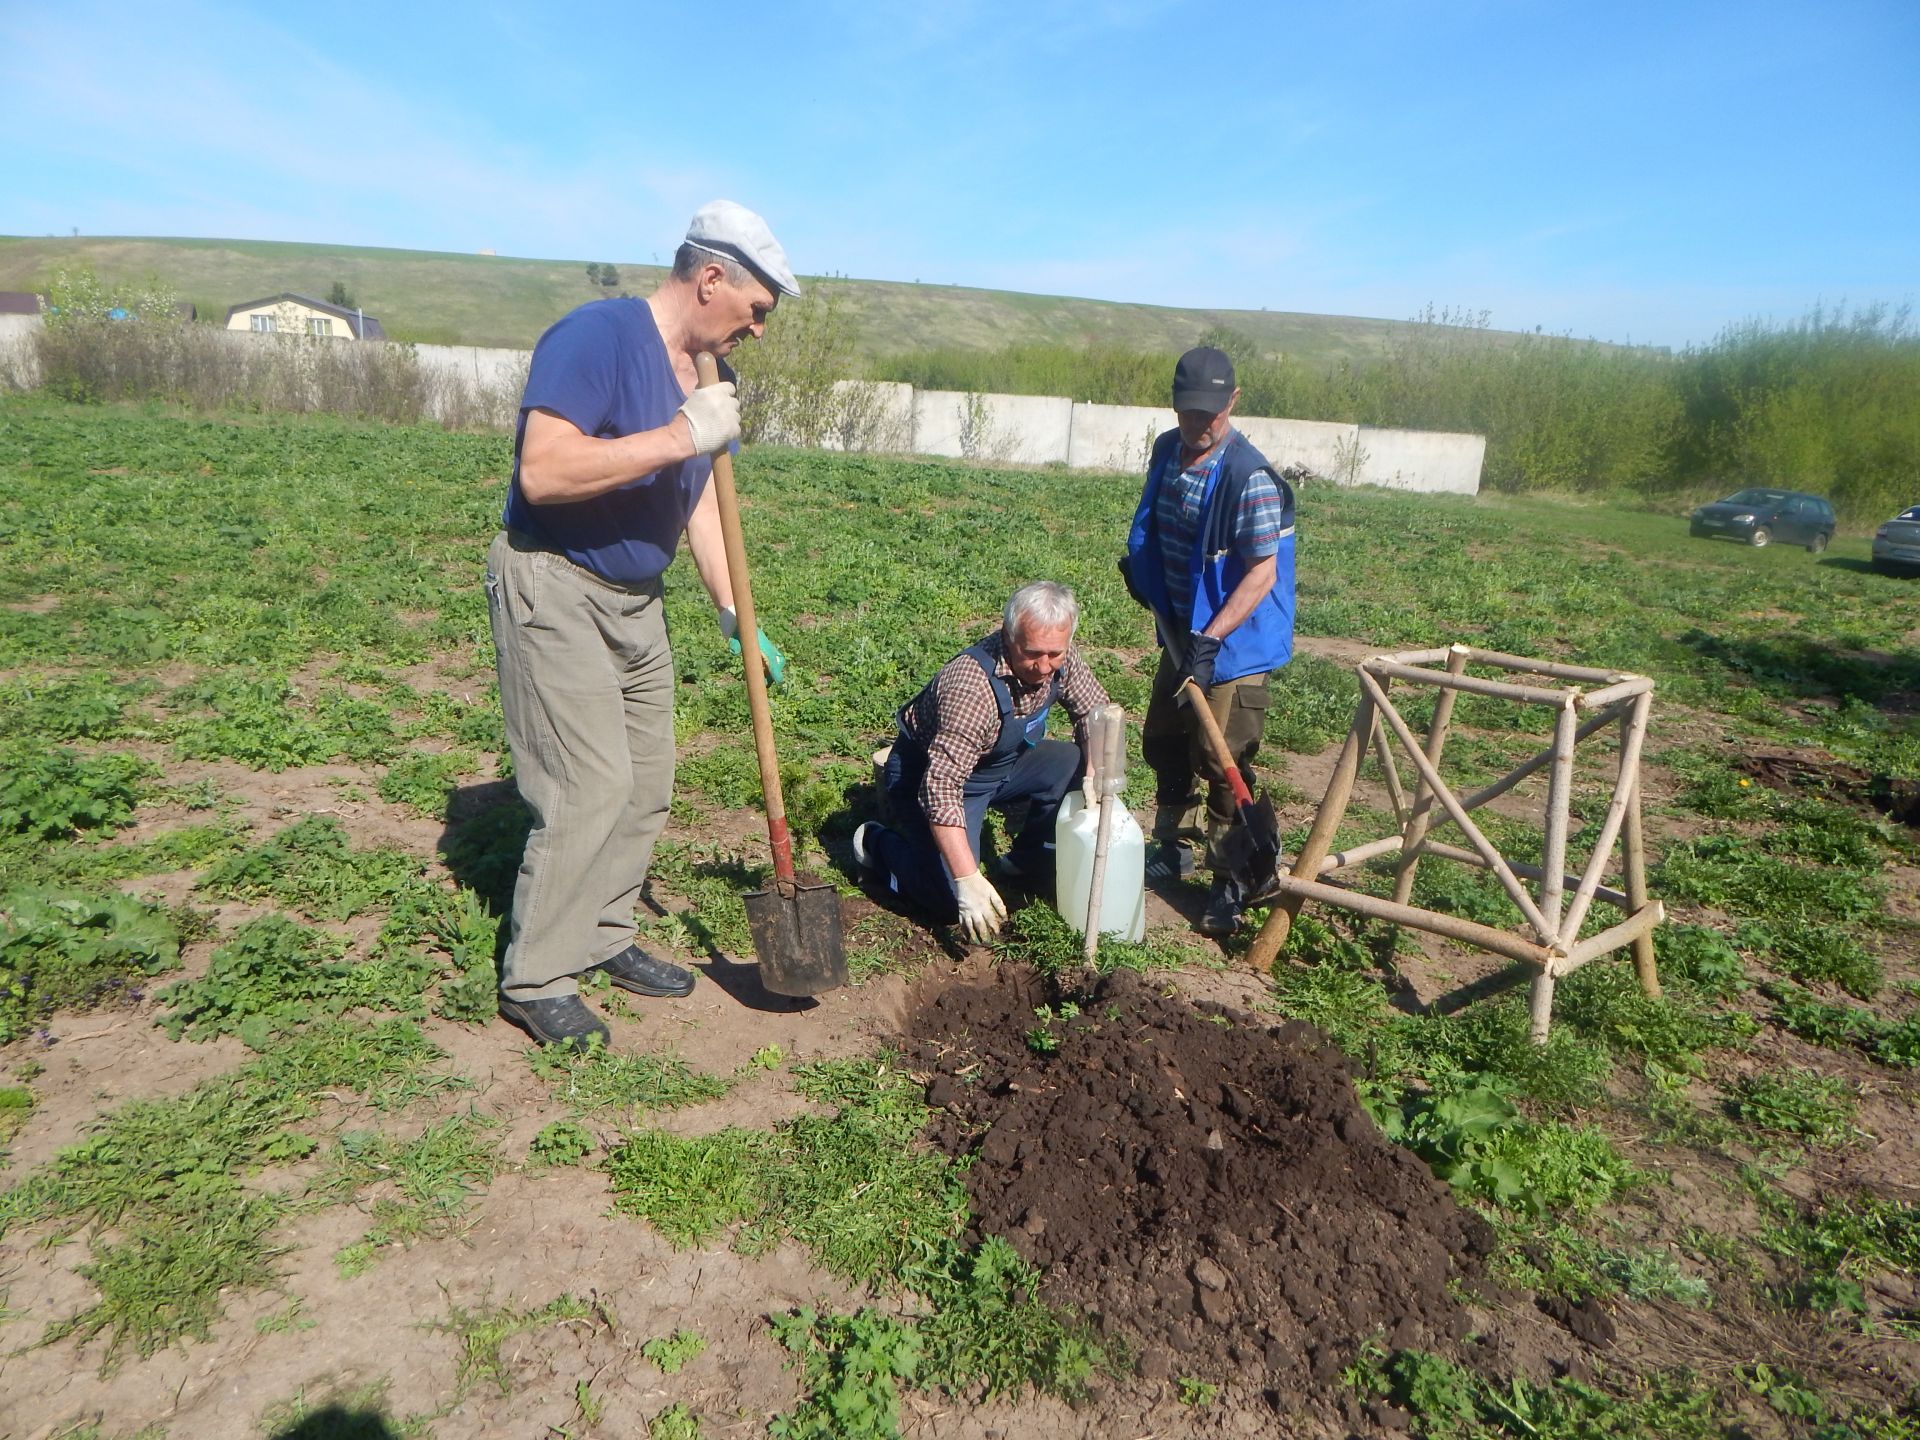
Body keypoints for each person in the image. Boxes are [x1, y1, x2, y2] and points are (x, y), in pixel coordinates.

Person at [486, 200, 800, 1051]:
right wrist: (674, 435)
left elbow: (697, 493)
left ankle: (603, 934)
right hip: (555, 584)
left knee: (648, 780)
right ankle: (538, 976)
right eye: (758, 310)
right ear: (711, 278)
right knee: (585, 786)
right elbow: (544, 473)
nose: (760, 330)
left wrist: (732, 607)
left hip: (637, 600)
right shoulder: (595, 337)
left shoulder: (703, 372)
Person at [1121, 345, 1296, 937]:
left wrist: (1212, 639)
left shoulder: (1251, 479)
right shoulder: (1167, 449)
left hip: (1233, 642)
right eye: (1188, 412)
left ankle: (1229, 880)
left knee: (1222, 759)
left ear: (1233, 402)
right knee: (1166, 741)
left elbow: (1261, 573)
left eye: (1211, 415)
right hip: (1181, 628)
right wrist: (1145, 575)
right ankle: (1174, 847)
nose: (1199, 425)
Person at [853, 582, 1111, 942]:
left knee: (1074, 762)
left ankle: (1027, 860)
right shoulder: (971, 688)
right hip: (935, 778)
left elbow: (1095, 712)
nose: (1043, 666)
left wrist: (1096, 772)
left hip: (1003, 765)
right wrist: (966, 879)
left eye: (1055, 653)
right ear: (1008, 635)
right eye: (1032, 653)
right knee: (947, 899)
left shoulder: (1059, 658)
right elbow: (940, 786)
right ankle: (876, 845)